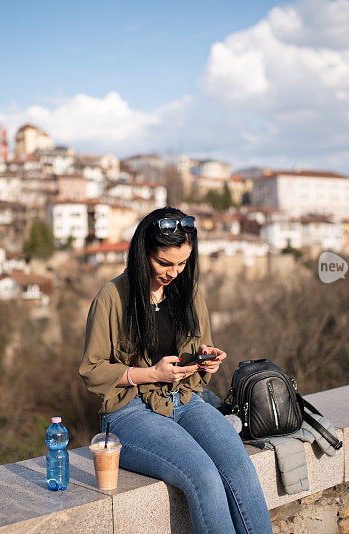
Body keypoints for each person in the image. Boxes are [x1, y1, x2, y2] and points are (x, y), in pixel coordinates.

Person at [79, 207, 272, 534]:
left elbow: (201, 350)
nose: (174, 272)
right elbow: (93, 370)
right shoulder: (112, 297)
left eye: (182, 263)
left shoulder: (190, 293)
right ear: (143, 254)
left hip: (187, 399)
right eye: (164, 263)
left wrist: (206, 359)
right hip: (130, 413)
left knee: (240, 469)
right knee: (204, 477)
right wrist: (152, 374)